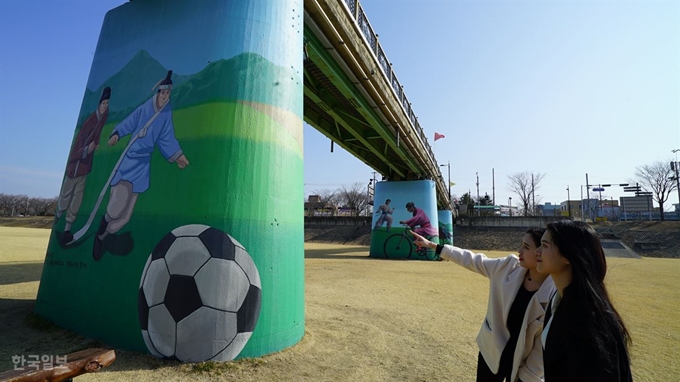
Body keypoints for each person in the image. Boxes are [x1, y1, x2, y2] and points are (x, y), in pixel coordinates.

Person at [412, 228, 555, 382]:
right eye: (521, 245)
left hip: (523, 361)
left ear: (541, 252)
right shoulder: (507, 267)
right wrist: (434, 246)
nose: (519, 250)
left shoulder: (555, 291)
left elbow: (543, 346)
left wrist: (529, 376)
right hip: (492, 350)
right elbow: (473, 260)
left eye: (526, 247)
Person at [92, 70, 189, 261]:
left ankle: (101, 236)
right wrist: (117, 133)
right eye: (163, 92)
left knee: (126, 217)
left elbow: (166, 137)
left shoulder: (166, 112)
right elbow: (131, 120)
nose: (165, 96)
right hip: (130, 160)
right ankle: (103, 224)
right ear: (158, 91)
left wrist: (179, 156)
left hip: (143, 165)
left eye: (168, 93)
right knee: (114, 210)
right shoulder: (146, 108)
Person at [537, 221, 632, 381]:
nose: (537, 252)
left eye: (545, 246)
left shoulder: (586, 319)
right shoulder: (559, 300)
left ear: (568, 255)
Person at [55, 87, 111, 244]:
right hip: (74, 169)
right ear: (99, 104)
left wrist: (96, 143)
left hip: (85, 169)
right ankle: (57, 220)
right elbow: (74, 153)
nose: (105, 106)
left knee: (76, 201)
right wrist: (88, 149)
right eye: (103, 103)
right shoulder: (88, 123)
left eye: (107, 103)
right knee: (65, 199)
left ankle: (67, 230)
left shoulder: (102, 118)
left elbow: (101, 126)